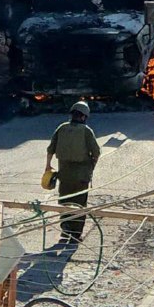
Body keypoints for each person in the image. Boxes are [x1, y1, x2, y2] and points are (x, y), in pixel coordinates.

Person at [45, 101, 100, 242]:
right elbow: (96, 152)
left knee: (65, 201)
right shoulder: (86, 131)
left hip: (64, 174)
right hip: (82, 176)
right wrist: (91, 166)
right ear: (84, 117)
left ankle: (66, 230)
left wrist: (48, 166)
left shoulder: (62, 128)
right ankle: (76, 234)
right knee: (80, 204)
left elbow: (50, 149)